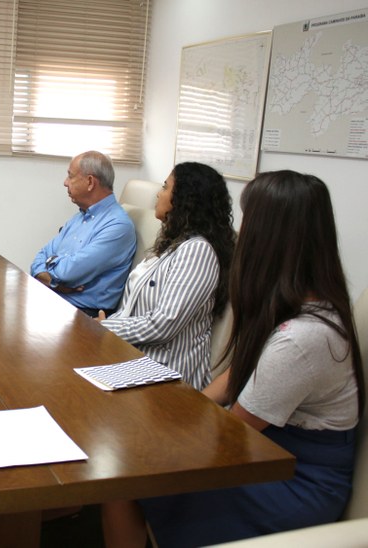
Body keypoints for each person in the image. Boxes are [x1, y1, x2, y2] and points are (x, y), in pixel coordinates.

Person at [102, 170, 364, 547]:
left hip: (294, 480)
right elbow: (236, 375)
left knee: (126, 473)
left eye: (249, 219)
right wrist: (186, 409)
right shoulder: (294, 301)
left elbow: (231, 434)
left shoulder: (303, 339)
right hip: (266, 448)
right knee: (133, 459)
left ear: (270, 236)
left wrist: (158, 436)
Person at [98, 162, 235, 389]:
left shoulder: (197, 251)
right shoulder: (172, 245)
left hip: (168, 375)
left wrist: (106, 328)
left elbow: (163, 324)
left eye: (165, 187)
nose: (158, 194)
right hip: (136, 359)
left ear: (183, 199)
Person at [30, 151, 135, 315]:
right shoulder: (79, 218)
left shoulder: (117, 226)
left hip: (84, 315)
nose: (65, 183)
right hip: (54, 301)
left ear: (90, 182)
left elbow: (67, 274)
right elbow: (39, 258)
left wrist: (50, 270)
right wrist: (53, 280)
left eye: (70, 176)